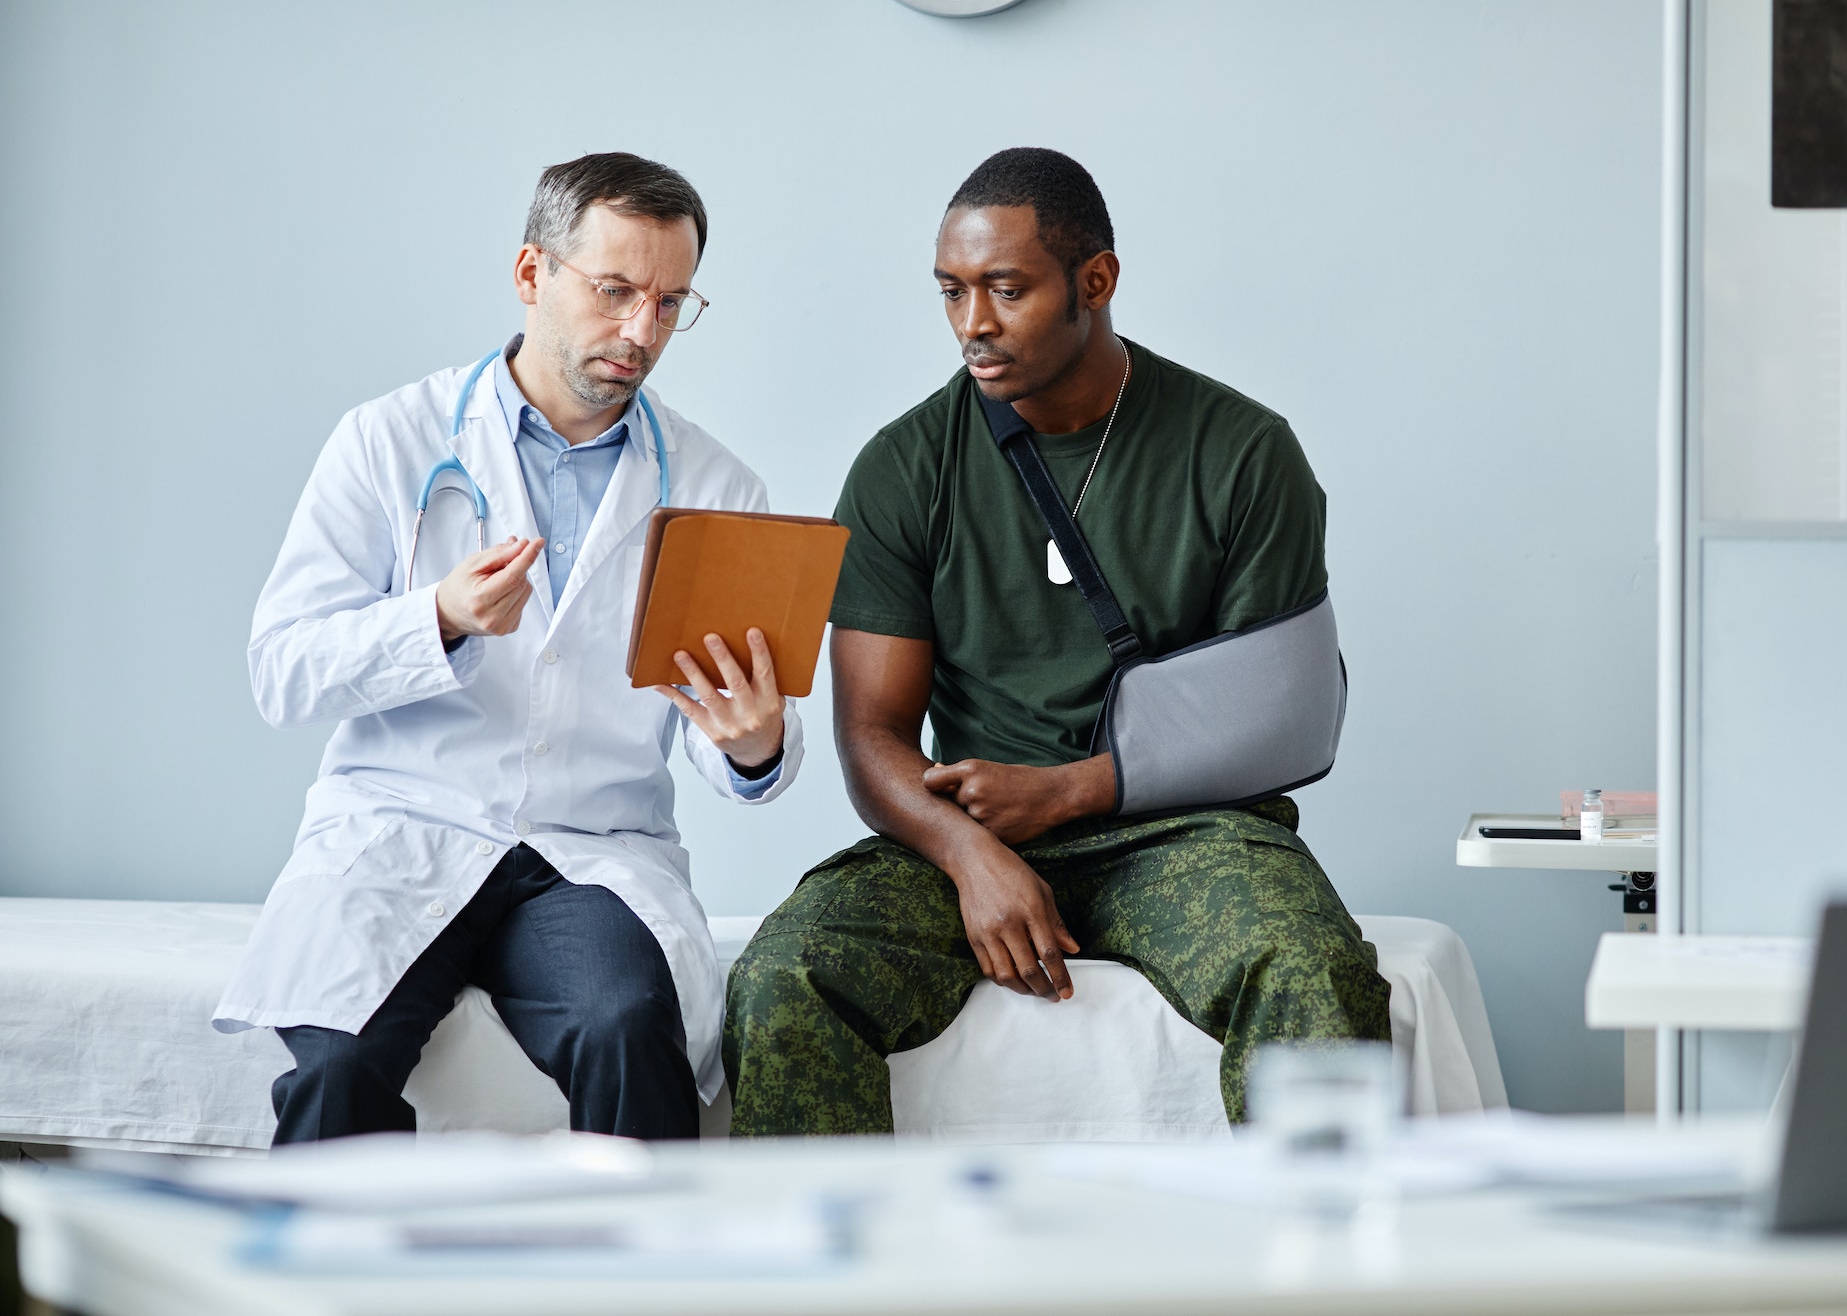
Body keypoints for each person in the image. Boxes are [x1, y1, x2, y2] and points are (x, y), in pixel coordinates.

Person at [724, 148, 1389, 1134]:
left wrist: (1070, 789)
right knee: (785, 974)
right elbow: (872, 737)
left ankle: (1323, 1278)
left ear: (1095, 281)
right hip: (974, 825)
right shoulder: (904, 467)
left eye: (1004, 289)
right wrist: (967, 854)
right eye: (950, 292)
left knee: (1312, 971)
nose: (972, 325)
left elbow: (1280, 719)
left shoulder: (1241, 451)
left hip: (1187, 830)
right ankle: (843, 1279)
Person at [215, 152, 803, 1143]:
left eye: (669, 303)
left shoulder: (717, 487)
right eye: (614, 290)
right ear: (532, 274)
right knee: (339, 1059)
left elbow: (726, 733)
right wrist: (434, 616)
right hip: (404, 828)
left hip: (587, 851)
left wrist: (752, 742)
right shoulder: (388, 441)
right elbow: (281, 668)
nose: (641, 330)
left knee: (627, 1027)